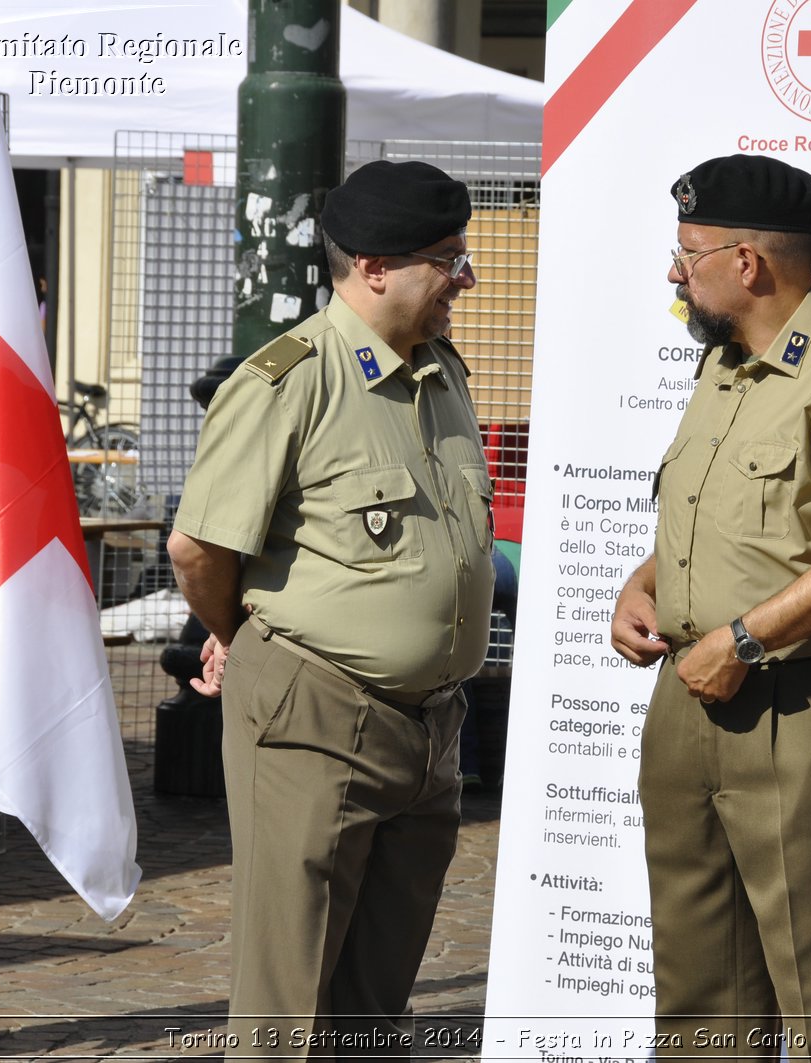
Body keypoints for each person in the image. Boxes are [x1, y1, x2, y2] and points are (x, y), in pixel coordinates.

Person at [167, 159, 496, 1058]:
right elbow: (199, 549)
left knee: (374, 1000)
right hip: (316, 712)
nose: (465, 277)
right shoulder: (288, 379)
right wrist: (247, 639)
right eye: (448, 258)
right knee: (288, 998)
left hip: (428, 728)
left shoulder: (442, 372)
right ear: (376, 266)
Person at [609, 154, 811, 1058]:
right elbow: (733, 522)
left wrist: (742, 641)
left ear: (748, 263)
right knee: (700, 996)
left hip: (802, 700)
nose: (677, 271)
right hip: (690, 695)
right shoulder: (727, 368)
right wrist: (650, 582)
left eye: (690, 252)